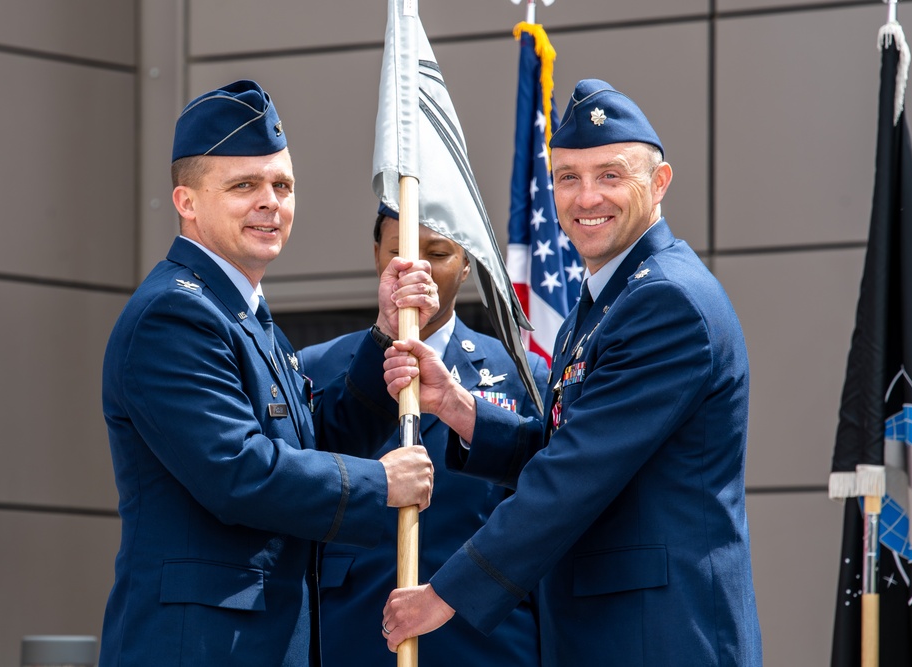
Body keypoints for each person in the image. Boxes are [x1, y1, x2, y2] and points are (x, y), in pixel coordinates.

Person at [379, 79, 763, 666]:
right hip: (610, 632)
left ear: (659, 183)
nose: (587, 198)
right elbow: (571, 444)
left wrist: (446, 592)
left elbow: (577, 472)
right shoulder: (606, 302)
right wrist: (459, 407)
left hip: (660, 635)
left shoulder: (667, 303)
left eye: (610, 175)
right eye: (568, 178)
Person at [99, 80, 438, 667]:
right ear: (186, 202)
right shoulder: (174, 314)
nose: (270, 202)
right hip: (199, 647)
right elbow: (237, 470)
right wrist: (378, 484)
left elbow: (313, 441)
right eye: (243, 186)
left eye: (282, 185)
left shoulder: (242, 313)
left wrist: (384, 334)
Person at [298, 203, 547, 666]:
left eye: (438, 252)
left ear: (468, 261)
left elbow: (546, 501)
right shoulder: (318, 367)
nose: (419, 269)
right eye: (401, 251)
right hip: (352, 632)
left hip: (485, 637)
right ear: (378, 256)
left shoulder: (522, 373)